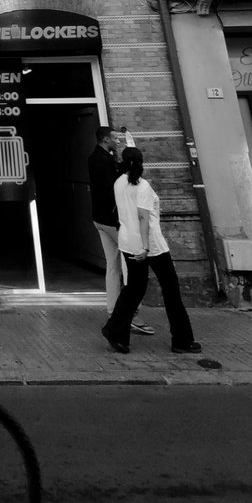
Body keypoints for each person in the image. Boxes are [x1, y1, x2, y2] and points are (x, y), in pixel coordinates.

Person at [101, 147, 201, 356]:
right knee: (171, 289)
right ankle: (181, 340)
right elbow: (143, 218)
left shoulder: (119, 182)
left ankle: (115, 330)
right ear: (141, 162)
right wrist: (146, 247)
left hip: (128, 242)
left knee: (134, 289)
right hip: (152, 246)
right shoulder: (143, 186)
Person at [87, 126, 153, 336]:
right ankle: (130, 314)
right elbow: (112, 188)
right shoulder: (104, 161)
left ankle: (112, 310)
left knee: (112, 266)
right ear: (106, 140)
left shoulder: (95, 157)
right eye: (115, 138)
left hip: (99, 219)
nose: (117, 141)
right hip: (112, 221)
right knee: (131, 265)